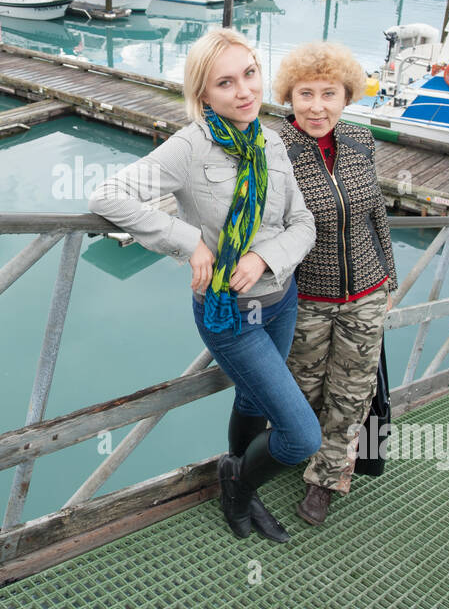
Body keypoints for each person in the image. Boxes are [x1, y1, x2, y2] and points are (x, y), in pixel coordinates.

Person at [90, 28, 317, 543]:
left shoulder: (271, 139)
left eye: (250, 74)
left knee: (255, 403)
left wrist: (263, 255)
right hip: (230, 316)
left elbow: (303, 223)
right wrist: (188, 241)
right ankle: (237, 486)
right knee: (301, 437)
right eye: (226, 82)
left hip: (281, 298)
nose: (244, 91)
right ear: (203, 95)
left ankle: (241, 478)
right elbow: (108, 196)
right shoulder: (191, 147)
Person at [273, 41, 397, 527]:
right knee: (301, 389)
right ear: (290, 96)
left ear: (347, 97)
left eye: (330, 94)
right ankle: (294, 451)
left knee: (352, 392)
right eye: (306, 94)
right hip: (305, 297)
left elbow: (376, 215)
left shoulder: (361, 142)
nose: (317, 106)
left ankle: (325, 481)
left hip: (367, 290)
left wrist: (388, 278)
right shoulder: (273, 151)